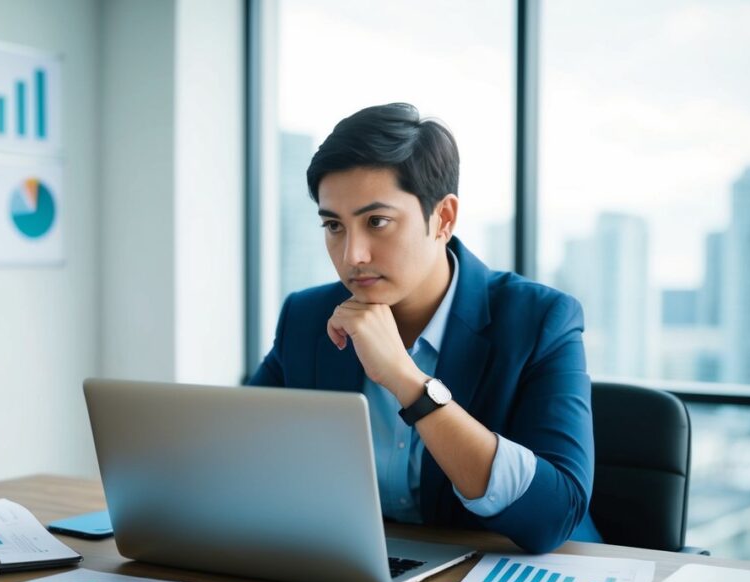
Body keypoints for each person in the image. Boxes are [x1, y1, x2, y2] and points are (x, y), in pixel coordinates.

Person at [249, 103, 601, 553]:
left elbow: (556, 514)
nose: (352, 254)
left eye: (377, 222)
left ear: (444, 219)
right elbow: (244, 462)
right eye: (334, 226)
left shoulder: (540, 320)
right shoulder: (307, 318)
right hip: (364, 577)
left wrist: (407, 380)